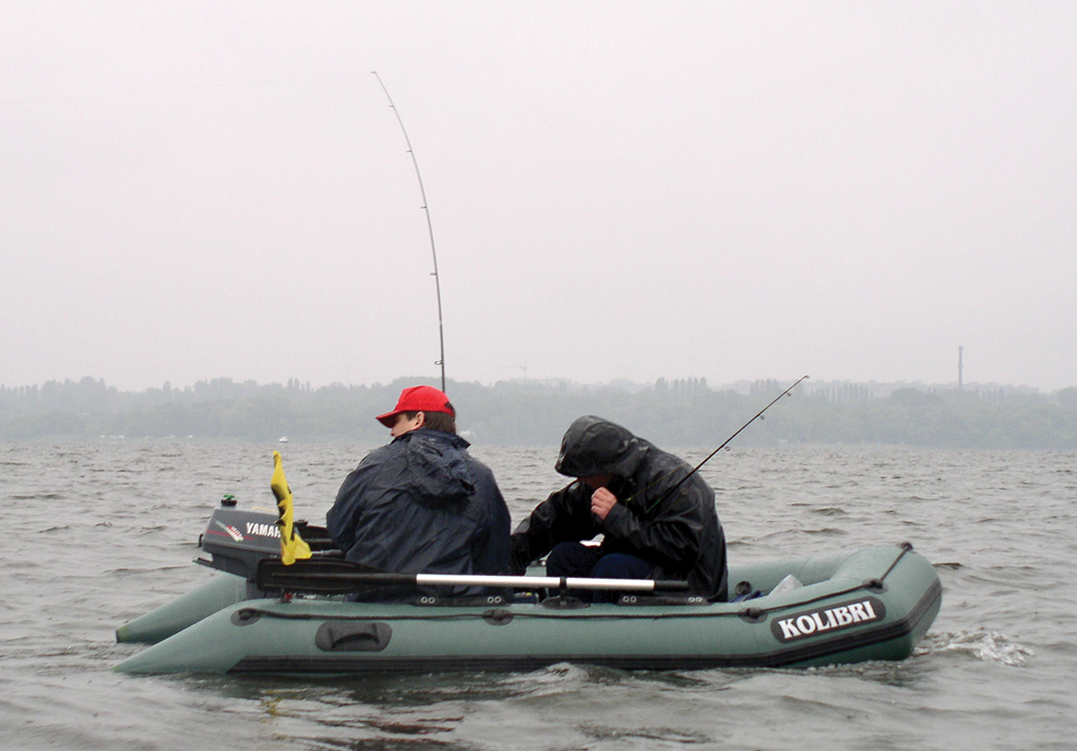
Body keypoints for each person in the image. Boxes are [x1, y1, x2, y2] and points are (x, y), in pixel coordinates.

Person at [510, 415, 727, 601]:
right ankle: (571, 624)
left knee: (613, 568)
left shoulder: (674, 481)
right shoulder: (596, 484)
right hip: (632, 565)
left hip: (690, 581)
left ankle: (605, 633)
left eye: (584, 474)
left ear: (606, 467)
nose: (579, 480)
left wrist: (618, 518)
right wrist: (508, 557)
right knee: (564, 556)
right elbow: (552, 520)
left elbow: (683, 550)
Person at [326, 385, 511, 598]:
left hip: (377, 600)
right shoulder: (482, 476)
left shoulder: (375, 465)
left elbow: (340, 532)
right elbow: (495, 557)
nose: (392, 431)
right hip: (454, 608)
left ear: (418, 419)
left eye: (397, 422)